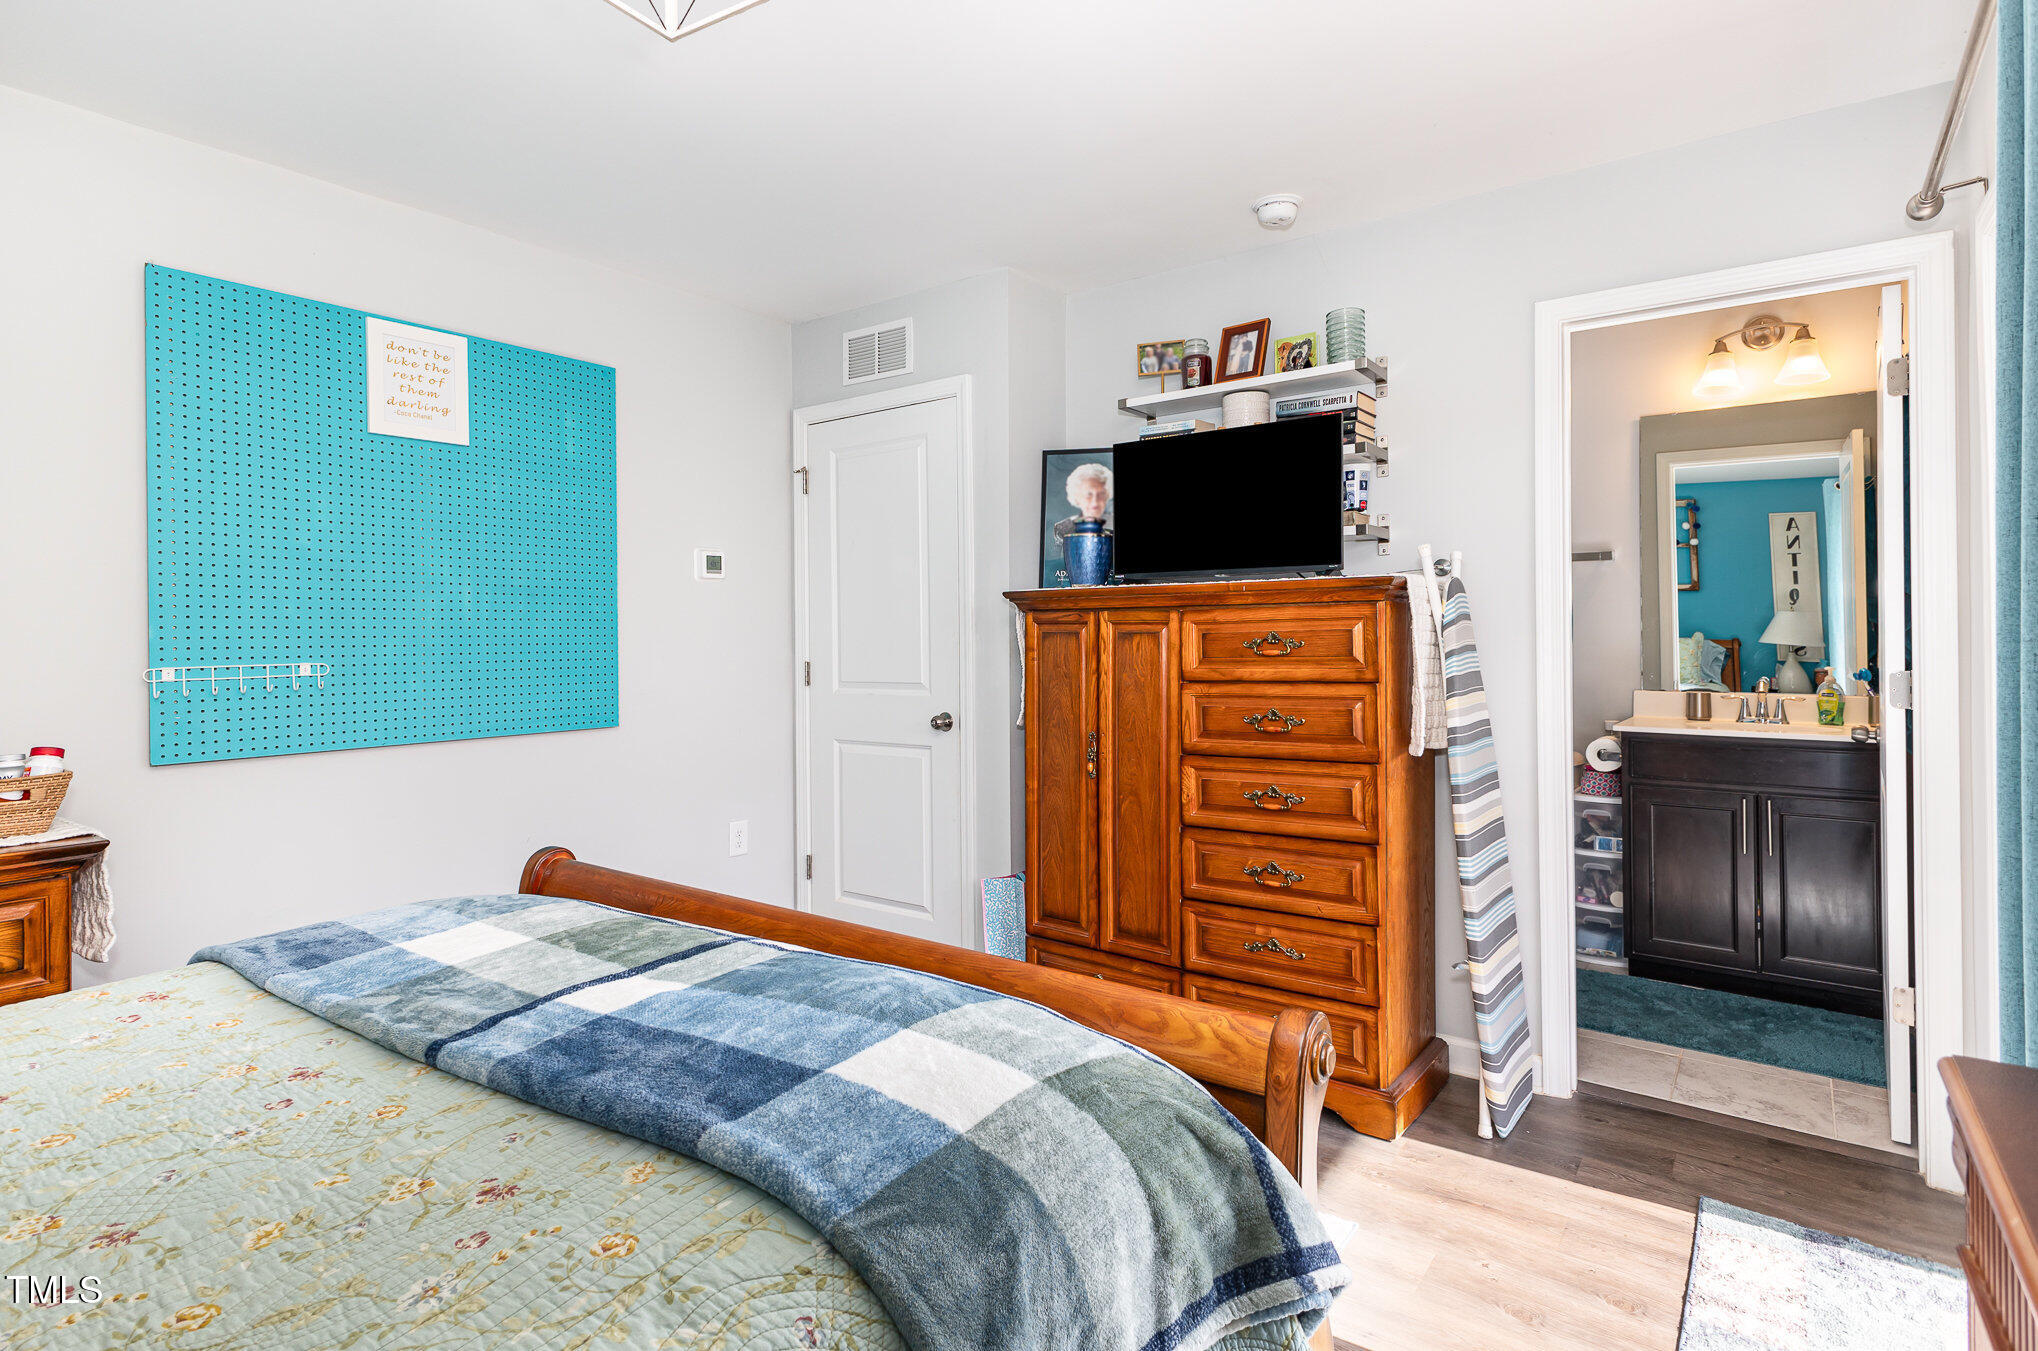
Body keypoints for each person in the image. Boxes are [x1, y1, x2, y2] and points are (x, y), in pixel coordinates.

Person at [1051, 462, 1113, 555]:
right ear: (1077, 497)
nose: (1095, 501)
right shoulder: (1064, 528)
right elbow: (1056, 564)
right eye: (1088, 494)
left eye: (1101, 494)